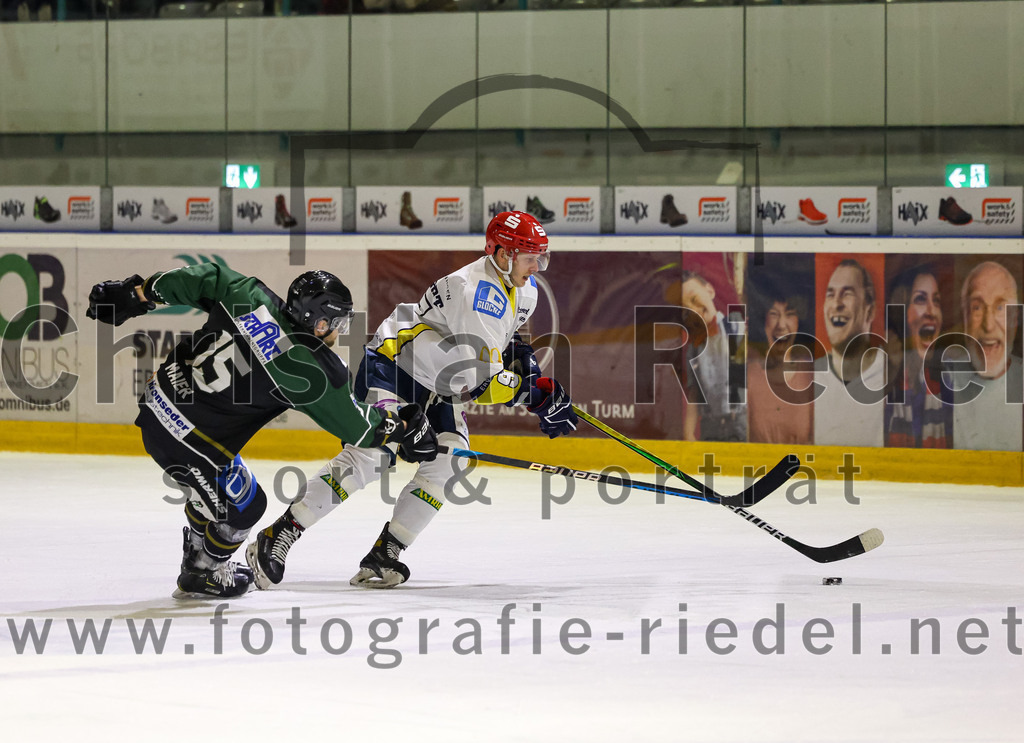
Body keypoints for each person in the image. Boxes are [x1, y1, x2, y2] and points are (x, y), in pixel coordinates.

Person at [246, 211, 578, 589]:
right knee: (370, 458)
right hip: (394, 367)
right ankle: (278, 536)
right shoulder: (477, 293)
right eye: (528, 256)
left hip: (440, 384)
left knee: (448, 461)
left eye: (539, 256)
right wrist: (536, 397)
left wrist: (533, 376)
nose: (536, 266)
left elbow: (506, 341)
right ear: (502, 254)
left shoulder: (524, 288)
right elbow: (484, 385)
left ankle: (385, 553)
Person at [85, 265, 438, 599]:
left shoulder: (248, 294)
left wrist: (139, 293)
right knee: (248, 507)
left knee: (225, 486)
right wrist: (404, 427)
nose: (338, 333)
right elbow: (359, 430)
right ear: (319, 323)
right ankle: (205, 570)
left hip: (158, 401)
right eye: (338, 324)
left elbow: (202, 277)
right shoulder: (310, 367)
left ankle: (196, 556)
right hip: (186, 442)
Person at [950, 261, 1022, 451]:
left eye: (1000, 308)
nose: (988, 325)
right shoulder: (940, 384)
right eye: (977, 308)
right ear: (964, 317)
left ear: (1015, 319)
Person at [813, 258, 885, 447]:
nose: (836, 304)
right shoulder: (808, 379)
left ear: (869, 311)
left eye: (847, 294)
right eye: (830, 294)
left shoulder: (894, 375)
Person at [884, 266, 952, 448]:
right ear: (902, 313)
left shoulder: (948, 382)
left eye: (936, 301)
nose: (931, 311)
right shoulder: (883, 379)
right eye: (921, 299)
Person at [679, 270, 746, 442]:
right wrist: (688, 433)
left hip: (741, 425)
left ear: (710, 291)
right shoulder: (694, 349)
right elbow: (694, 394)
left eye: (694, 300)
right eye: (686, 311)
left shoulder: (738, 327)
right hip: (710, 428)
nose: (694, 310)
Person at [746, 291, 814, 444]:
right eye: (774, 314)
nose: (781, 324)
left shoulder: (812, 374)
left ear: (798, 321)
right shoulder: (748, 375)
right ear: (763, 321)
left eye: (790, 314)